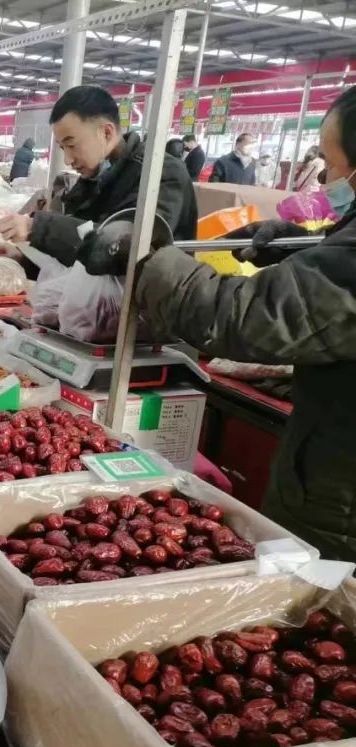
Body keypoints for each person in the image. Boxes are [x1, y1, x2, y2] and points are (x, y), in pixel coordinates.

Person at [84, 86, 356, 562]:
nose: (326, 179)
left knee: (318, 590)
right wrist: (301, 244)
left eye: (331, 165)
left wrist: (147, 260)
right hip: (330, 456)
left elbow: (242, 317)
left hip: (340, 500)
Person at [0, 85, 197, 277]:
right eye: (63, 148)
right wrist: (24, 262)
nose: (67, 160)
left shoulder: (160, 175)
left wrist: (37, 228)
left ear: (106, 133)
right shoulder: (96, 176)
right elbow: (78, 249)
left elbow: (121, 247)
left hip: (144, 300)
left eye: (72, 145)